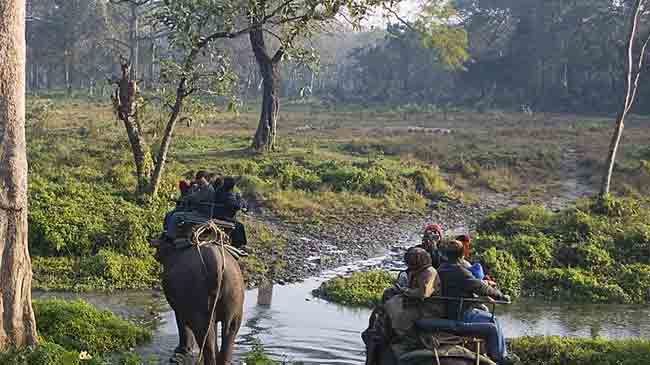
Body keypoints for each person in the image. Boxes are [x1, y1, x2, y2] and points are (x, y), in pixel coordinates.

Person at [438, 239, 518, 365]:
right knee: (493, 321)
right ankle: (500, 358)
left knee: (486, 313)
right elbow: (481, 287)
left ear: (446, 255)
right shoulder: (460, 272)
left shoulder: (442, 268)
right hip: (461, 313)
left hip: (450, 309)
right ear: (462, 254)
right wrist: (501, 296)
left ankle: (496, 353)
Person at [213, 176, 247, 248]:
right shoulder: (228, 195)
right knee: (239, 226)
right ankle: (238, 245)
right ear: (232, 186)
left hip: (215, 214)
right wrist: (239, 199)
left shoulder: (218, 190)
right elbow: (237, 207)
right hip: (223, 217)